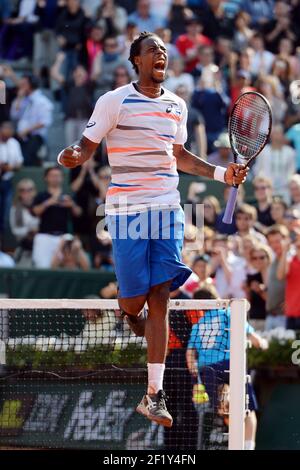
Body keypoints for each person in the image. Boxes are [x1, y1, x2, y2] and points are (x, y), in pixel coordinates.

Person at [57, 31, 248, 428]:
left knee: (161, 292)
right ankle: (129, 314)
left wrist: (220, 173)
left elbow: (179, 157)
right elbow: (86, 146)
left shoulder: (177, 105)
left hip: (167, 206)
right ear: (136, 61)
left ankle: (154, 394)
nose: (161, 55)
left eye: (163, 51)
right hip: (126, 210)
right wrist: (73, 154)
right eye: (152, 51)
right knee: (134, 300)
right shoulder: (113, 101)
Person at [186, 285, 269, 450]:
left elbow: (189, 355)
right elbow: (256, 340)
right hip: (231, 365)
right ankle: (247, 446)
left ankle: (226, 396)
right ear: (215, 298)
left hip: (207, 370)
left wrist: (195, 374)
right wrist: (264, 344)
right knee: (248, 411)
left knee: (224, 411)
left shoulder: (197, 326)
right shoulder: (228, 314)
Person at [31, 166, 82, 268]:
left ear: (62, 178)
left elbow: (79, 213)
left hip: (63, 237)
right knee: (42, 267)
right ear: (46, 178)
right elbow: (35, 211)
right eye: (53, 175)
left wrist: (72, 205)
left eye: (58, 175)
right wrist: (48, 202)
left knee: (69, 266)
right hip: (44, 236)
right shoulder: (41, 195)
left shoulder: (68, 195)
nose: (56, 178)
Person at [10, 74, 53, 166]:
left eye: (24, 84)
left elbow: (44, 121)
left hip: (35, 136)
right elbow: (14, 115)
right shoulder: (22, 99)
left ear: (32, 84)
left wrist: (27, 130)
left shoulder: (42, 101)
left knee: (27, 159)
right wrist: (19, 98)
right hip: (20, 135)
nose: (21, 86)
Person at [0, 121, 23, 238]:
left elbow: (19, 163)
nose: (7, 136)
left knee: (5, 216)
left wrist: (10, 167)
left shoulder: (14, 143)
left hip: (7, 181)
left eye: (10, 133)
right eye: (5, 132)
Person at [9, 179, 39, 266]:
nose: (26, 193)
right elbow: (15, 231)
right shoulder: (15, 209)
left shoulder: (40, 205)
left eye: (30, 190)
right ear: (18, 192)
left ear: (34, 191)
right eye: (22, 190)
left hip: (42, 244)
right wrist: (29, 231)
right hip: (25, 247)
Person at [265, 224, 289, 330]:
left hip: (286, 317)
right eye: (271, 242)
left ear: (286, 240)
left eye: (277, 241)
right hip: (271, 316)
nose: (274, 245)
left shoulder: (293, 259)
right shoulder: (273, 261)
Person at [277, 231, 300, 330]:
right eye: (298, 246)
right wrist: (285, 251)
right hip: (292, 313)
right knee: (293, 345)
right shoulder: (290, 262)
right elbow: (280, 275)